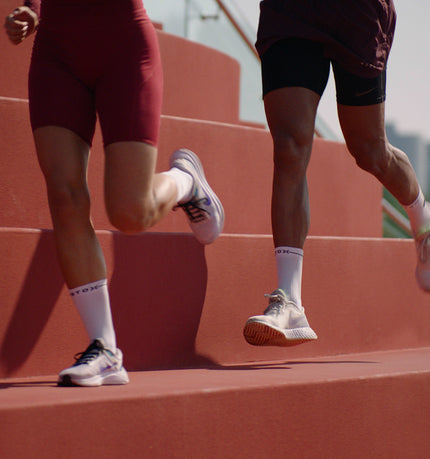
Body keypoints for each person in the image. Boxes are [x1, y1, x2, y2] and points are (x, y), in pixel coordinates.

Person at [4, 0, 224, 386]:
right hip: (56, 49)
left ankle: (185, 182)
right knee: (64, 195)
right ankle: (104, 348)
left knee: (129, 213)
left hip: (123, 44)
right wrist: (32, 8)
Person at [243, 0, 430, 347]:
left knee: (370, 151)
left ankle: (425, 223)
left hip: (356, 12)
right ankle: (289, 301)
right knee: (289, 146)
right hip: (291, 13)